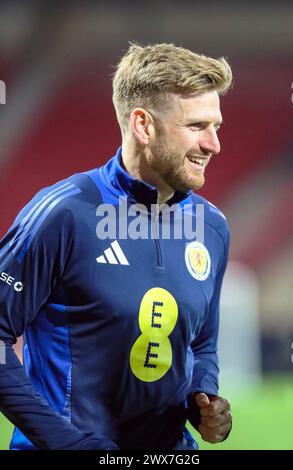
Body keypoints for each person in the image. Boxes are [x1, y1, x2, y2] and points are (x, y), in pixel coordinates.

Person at [0, 42, 233, 450]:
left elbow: (201, 343)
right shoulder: (64, 214)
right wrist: (65, 444)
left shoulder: (212, 227)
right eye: (197, 127)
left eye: (216, 127)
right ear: (143, 125)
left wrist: (204, 400)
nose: (213, 144)